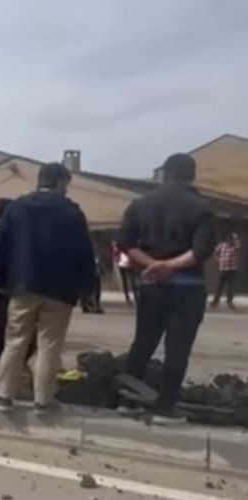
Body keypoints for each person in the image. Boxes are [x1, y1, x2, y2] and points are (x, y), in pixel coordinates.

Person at [117, 153, 217, 425]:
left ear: (164, 174)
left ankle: (128, 399)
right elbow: (201, 251)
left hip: (152, 287)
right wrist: (171, 265)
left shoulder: (140, 205)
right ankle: (165, 407)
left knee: (143, 343)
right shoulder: (201, 208)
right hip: (187, 288)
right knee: (177, 348)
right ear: (192, 175)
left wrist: (154, 265)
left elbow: (125, 242)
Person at [0, 162, 96, 415]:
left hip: (23, 286)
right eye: (66, 185)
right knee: (49, 345)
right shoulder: (72, 212)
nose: (67, 190)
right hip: (60, 291)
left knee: (15, 341)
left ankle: (4, 395)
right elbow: (84, 252)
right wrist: (86, 289)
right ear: (59, 182)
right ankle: (44, 400)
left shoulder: (17, 209)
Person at [0, 198, 39, 382]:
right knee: (19, 338)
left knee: (1, 336)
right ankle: (2, 374)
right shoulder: (6, 238)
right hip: (6, 293)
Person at [211, 233, 241, 309]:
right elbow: (215, 252)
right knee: (220, 286)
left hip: (232, 269)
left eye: (232, 239)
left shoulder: (235, 246)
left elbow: (238, 244)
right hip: (223, 269)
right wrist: (217, 259)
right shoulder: (222, 245)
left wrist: (235, 237)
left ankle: (229, 301)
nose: (230, 241)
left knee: (231, 286)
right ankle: (215, 301)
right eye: (229, 239)